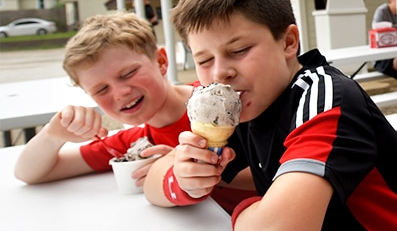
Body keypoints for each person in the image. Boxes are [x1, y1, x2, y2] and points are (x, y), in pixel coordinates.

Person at [146, 0, 397, 230]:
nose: (220, 73)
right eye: (205, 59)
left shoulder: (326, 99)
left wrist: (242, 211)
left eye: (239, 51)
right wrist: (184, 179)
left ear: (288, 42)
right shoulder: (245, 103)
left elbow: (278, 227)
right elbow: (152, 180)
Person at [13, 12, 254, 212]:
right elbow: (28, 173)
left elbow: (281, 166)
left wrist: (189, 168)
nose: (120, 93)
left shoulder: (229, 102)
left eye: (128, 73)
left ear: (161, 61)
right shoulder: (138, 144)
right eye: (101, 89)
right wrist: (54, 135)